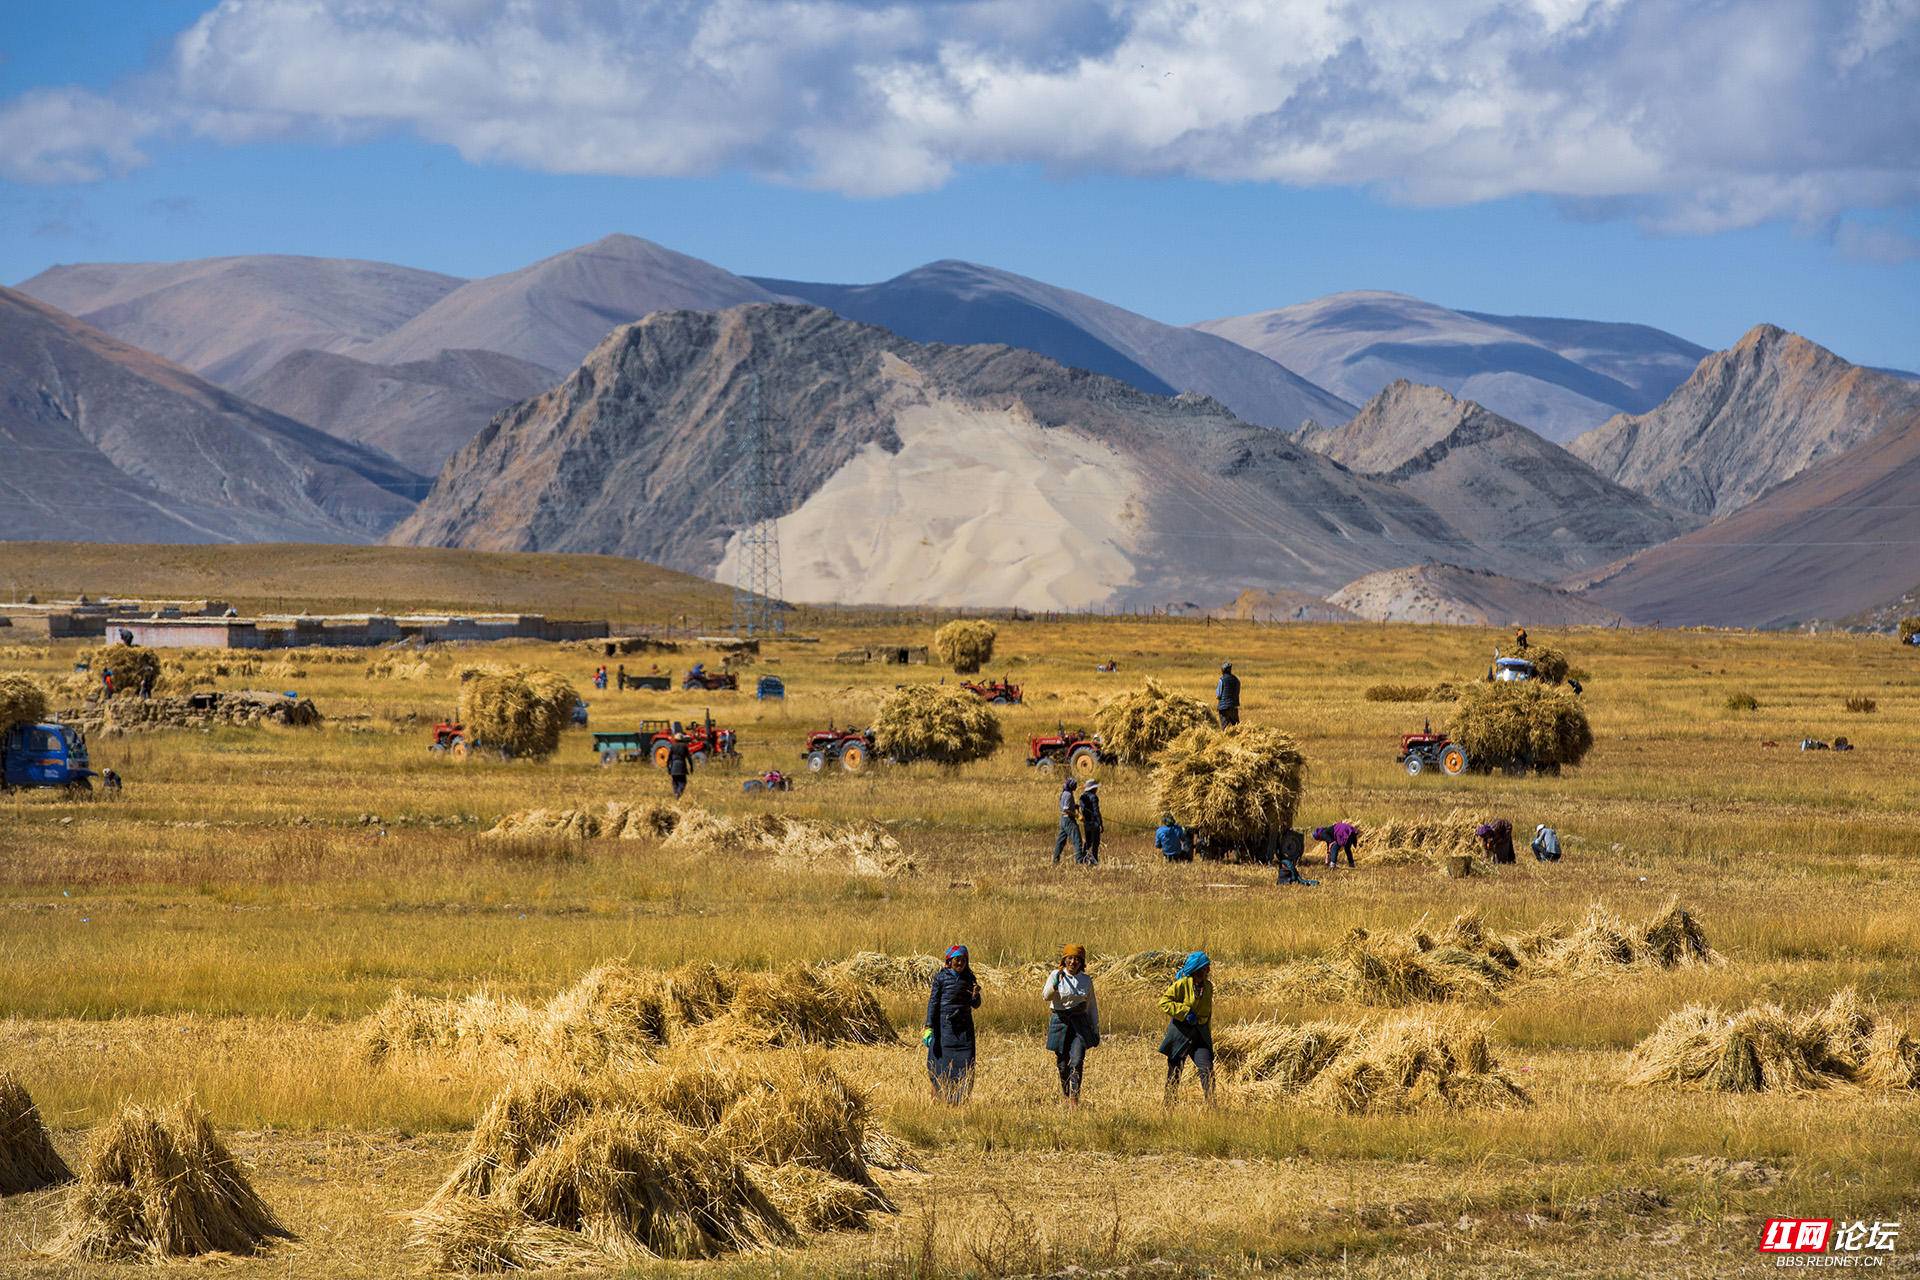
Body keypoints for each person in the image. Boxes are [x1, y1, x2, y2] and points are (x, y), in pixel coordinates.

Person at [1042, 945, 1100, 1105]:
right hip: (1060, 1021)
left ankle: (1074, 1099)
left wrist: (1095, 1027)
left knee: (1077, 1060)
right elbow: (1046, 996)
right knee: (1062, 1063)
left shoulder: (1086, 980)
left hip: (1079, 1023)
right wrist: (1055, 983)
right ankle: (1066, 1094)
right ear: (1064, 960)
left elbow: (1091, 1005)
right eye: (1070, 958)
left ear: (1082, 962)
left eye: (1077, 959)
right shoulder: (1055, 975)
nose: (1073, 962)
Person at [925, 945, 981, 1103]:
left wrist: (976, 995)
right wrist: (929, 1026)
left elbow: (975, 1004)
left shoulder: (969, 978)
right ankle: (939, 1098)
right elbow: (933, 1003)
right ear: (949, 961)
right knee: (940, 1063)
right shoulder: (941, 978)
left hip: (964, 1029)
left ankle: (960, 1099)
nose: (961, 963)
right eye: (957, 960)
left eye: (964, 960)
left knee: (964, 1064)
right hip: (944, 1027)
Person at [1158, 951, 1215, 1103]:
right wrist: (1185, 1012)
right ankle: (1168, 1107)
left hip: (1199, 1036)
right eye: (1205, 968)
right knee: (1175, 1073)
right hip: (1180, 1036)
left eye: (1208, 968)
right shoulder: (1182, 984)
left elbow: (1208, 1014)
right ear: (1197, 969)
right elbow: (1164, 1002)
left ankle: (1212, 1107)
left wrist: (1207, 1036)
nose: (1208, 972)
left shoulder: (1208, 987)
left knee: (1207, 1069)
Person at [1052, 778, 1085, 864]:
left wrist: (1074, 806)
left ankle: (1055, 860)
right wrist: (1077, 816)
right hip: (1069, 820)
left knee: (1061, 840)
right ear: (1071, 786)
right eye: (1075, 785)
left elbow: (1066, 807)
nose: (1076, 786)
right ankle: (1079, 861)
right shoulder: (1068, 795)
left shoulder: (1065, 793)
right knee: (1077, 840)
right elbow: (1066, 809)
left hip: (1063, 820)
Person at [1077, 779, 1103, 866]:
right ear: (1093, 789)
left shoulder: (1082, 797)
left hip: (1086, 822)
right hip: (1094, 822)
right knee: (1095, 842)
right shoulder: (1094, 797)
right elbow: (1096, 811)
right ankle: (1094, 860)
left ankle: (1083, 858)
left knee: (1088, 841)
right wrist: (1100, 823)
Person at [1215, 662, 1241, 726]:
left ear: (1223, 670)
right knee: (1236, 726)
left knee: (1225, 727)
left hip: (1224, 708)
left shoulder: (1222, 680)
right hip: (1234, 707)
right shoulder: (1236, 679)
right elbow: (1237, 692)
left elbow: (1218, 695)